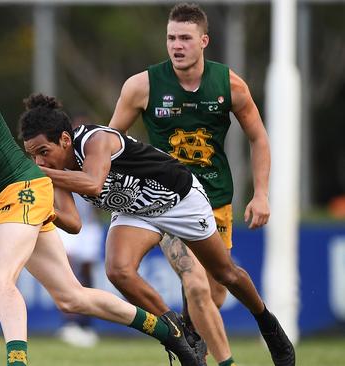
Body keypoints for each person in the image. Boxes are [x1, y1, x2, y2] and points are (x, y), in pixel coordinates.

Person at [0, 16, 199, 366]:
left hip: (23, 188)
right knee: (72, 298)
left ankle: (17, 362)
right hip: (7, 199)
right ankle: (169, 332)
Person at [19, 93, 295, 366]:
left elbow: (93, 184)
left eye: (44, 152)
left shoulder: (96, 140)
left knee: (225, 274)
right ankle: (181, 335)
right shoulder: (51, 171)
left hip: (178, 199)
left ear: (65, 140)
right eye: (33, 157)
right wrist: (38, 208)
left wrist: (40, 175)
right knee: (118, 271)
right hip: (134, 211)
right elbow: (73, 223)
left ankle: (267, 323)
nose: (40, 163)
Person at [108, 3, 288, 366]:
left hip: (214, 200)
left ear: (203, 41)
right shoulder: (141, 86)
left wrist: (262, 193)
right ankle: (217, 361)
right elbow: (109, 142)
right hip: (165, 198)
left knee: (216, 291)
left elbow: (259, 138)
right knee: (196, 284)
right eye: (171, 38)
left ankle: (203, 335)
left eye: (185, 38)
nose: (176, 45)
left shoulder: (230, 85)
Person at [55, 194, 103, 348]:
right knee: (67, 272)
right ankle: (70, 324)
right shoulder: (57, 170)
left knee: (86, 273)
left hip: (89, 224)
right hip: (65, 222)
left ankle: (85, 324)